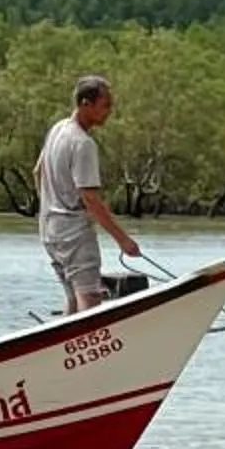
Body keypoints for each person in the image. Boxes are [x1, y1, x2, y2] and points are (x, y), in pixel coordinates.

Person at [35, 75, 141, 311]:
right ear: (86, 104)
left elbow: (37, 171)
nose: (109, 112)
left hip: (50, 230)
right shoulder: (82, 143)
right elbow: (90, 199)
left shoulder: (57, 130)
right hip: (74, 233)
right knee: (90, 300)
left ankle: (65, 347)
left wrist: (49, 206)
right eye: (105, 106)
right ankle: (87, 347)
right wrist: (123, 239)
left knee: (73, 298)